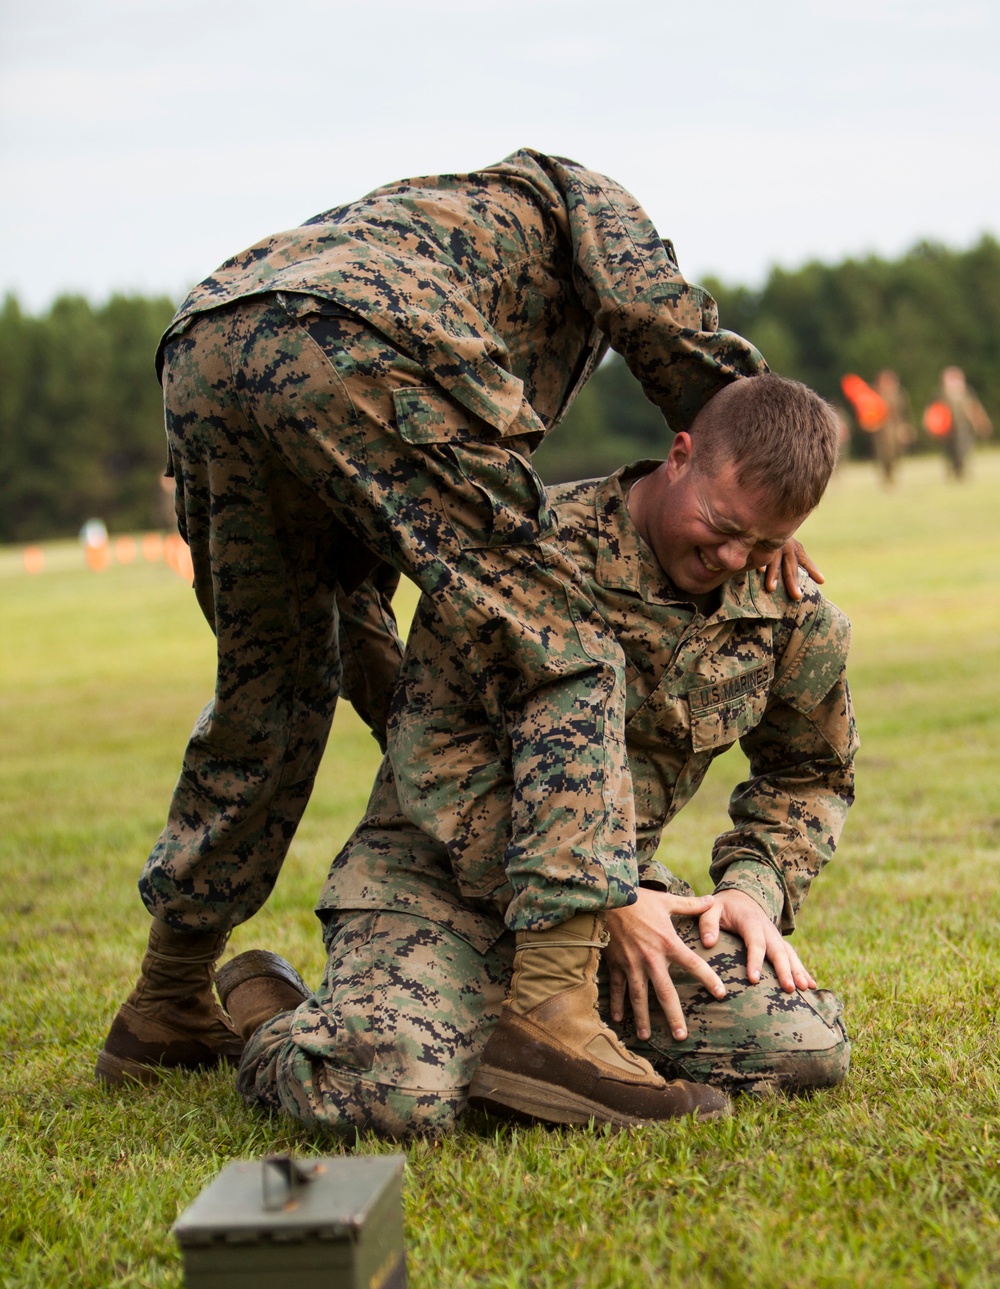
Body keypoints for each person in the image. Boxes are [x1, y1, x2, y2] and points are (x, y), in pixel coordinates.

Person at [95, 148, 778, 1124]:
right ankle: (549, 1020)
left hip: (209, 344)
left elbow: (381, 638)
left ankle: (165, 1001)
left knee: (272, 688)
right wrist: (777, 502)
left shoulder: (421, 226)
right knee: (566, 640)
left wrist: (464, 778)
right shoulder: (573, 191)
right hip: (357, 337)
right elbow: (676, 334)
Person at [221, 375, 856, 1136]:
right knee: (388, 1098)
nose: (730, 555)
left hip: (623, 901)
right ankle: (274, 1009)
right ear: (679, 455)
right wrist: (595, 897)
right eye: (721, 524)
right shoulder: (524, 554)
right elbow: (436, 752)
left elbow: (810, 773)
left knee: (801, 1045)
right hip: (436, 882)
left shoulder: (786, 609)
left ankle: (501, 1031)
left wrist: (755, 889)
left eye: (763, 541)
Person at [925, 366, 993, 479]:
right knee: (950, 452)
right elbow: (933, 411)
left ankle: (962, 470)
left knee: (964, 448)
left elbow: (974, 407)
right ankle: (954, 470)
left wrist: (981, 422)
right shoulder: (940, 393)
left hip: (964, 426)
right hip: (948, 429)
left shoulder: (966, 391)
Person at [871, 370, 914, 486]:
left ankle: (893, 473)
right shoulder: (875, 394)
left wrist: (906, 426)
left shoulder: (900, 394)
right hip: (881, 429)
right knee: (884, 454)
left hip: (896, 427)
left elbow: (906, 411)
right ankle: (886, 476)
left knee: (897, 452)